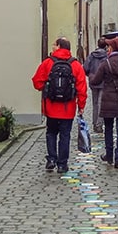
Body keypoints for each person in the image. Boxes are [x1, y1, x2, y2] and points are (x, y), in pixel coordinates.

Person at [31, 37, 87, 173]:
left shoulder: (48, 63)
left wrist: (46, 88)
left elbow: (36, 82)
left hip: (51, 107)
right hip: (68, 108)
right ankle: (62, 164)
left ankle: (51, 159)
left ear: (59, 46)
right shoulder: (75, 65)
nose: (52, 47)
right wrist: (81, 105)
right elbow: (82, 88)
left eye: (54, 45)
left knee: (51, 133)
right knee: (65, 135)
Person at [90, 37, 118, 169]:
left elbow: (95, 81)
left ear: (113, 49)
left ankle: (109, 155)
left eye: (109, 47)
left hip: (108, 102)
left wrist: (91, 75)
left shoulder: (106, 64)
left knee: (108, 129)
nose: (107, 49)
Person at [83, 37, 108, 133]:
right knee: (101, 104)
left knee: (95, 103)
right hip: (103, 82)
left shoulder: (91, 56)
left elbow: (85, 68)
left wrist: (90, 75)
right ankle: (99, 124)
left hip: (93, 82)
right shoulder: (106, 56)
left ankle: (94, 123)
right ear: (105, 46)